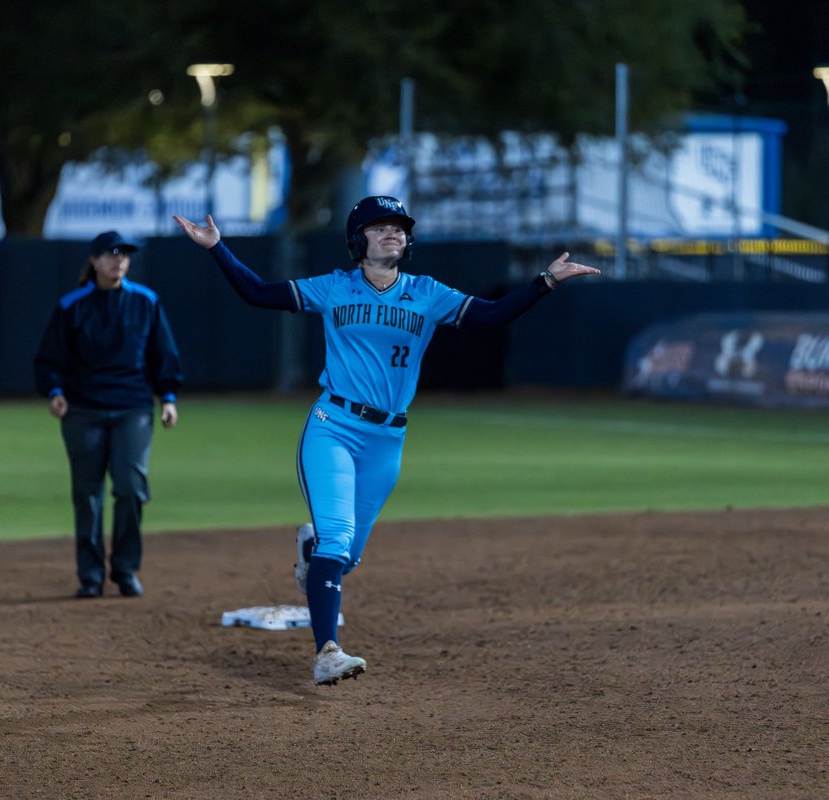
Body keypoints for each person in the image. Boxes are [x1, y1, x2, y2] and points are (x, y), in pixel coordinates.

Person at [174, 196, 600, 685]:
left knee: (345, 556)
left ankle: (311, 548)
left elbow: (491, 316)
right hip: (333, 426)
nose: (392, 233)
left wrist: (544, 282)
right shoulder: (334, 288)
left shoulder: (426, 292)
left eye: (398, 227)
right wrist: (217, 248)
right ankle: (326, 652)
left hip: (387, 439)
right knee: (338, 538)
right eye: (379, 227)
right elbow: (259, 293)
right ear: (358, 240)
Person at [33, 230, 185, 599]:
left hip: (132, 407)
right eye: (111, 254)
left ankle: (126, 569)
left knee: (131, 488)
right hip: (83, 409)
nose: (119, 260)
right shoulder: (72, 305)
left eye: (124, 254)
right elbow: (49, 358)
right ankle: (90, 575)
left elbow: (163, 355)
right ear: (94, 260)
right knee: (87, 494)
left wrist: (167, 397)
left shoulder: (146, 301)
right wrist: (54, 392)